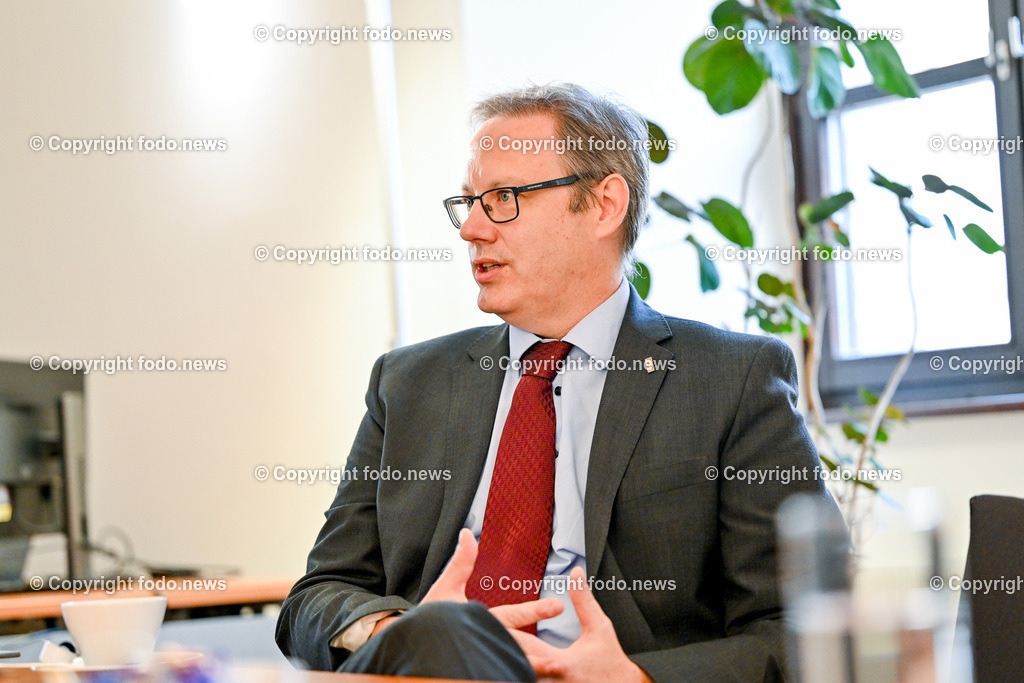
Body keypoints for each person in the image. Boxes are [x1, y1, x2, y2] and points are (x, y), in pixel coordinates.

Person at [275, 82, 846, 682]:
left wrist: (635, 679)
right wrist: (402, 632)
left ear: (604, 205)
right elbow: (316, 597)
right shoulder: (408, 383)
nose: (471, 229)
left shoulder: (732, 379)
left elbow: (809, 626)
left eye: (502, 199)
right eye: (468, 202)